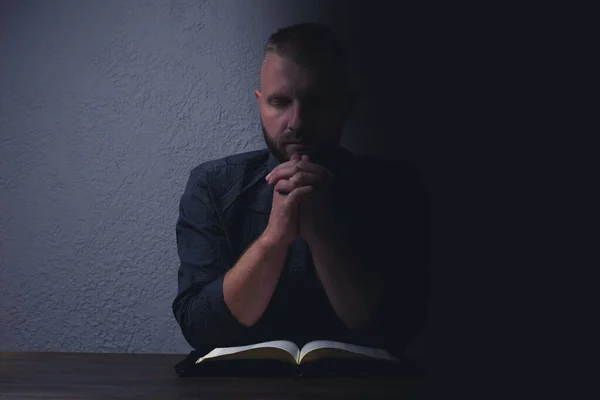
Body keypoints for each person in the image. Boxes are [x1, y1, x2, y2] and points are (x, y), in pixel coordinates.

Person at [172, 22, 430, 361]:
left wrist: (321, 234)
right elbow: (200, 329)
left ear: (346, 105)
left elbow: (397, 331)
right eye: (280, 102)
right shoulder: (213, 186)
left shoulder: (396, 188)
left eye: (316, 103)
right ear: (260, 103)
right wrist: (274, 237)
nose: (297, 122)